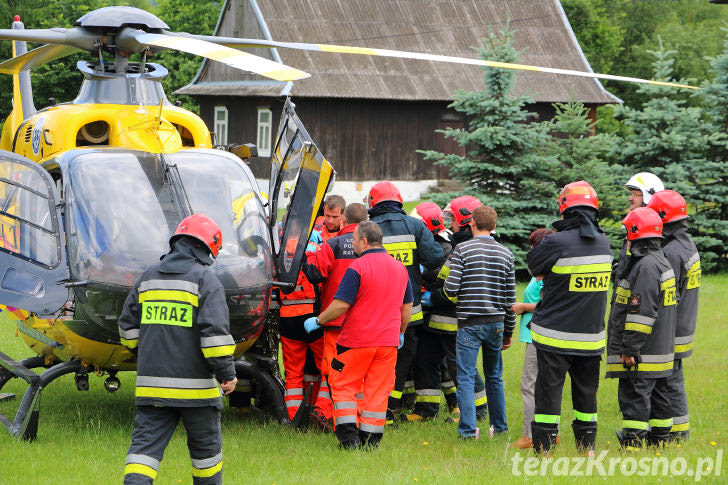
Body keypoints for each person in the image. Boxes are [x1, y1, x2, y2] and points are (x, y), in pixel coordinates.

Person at [119, 213, 237, 484]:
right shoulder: (205, 281)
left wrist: (146, 354)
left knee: (142, 457)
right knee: (206, 458)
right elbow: (215, 337)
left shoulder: (147, 278)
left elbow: (127, 329)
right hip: (197, 391)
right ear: (208, 249)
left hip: (152, 388)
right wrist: (227, 374)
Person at [304, 221, 413, 449]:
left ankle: (348, 439)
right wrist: (400, 332)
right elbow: (406, 308)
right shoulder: (399, 268)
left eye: (353, 239)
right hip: (387, 344)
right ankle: (371, 440)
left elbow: (341, 304)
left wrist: (318, 320)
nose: (352, 243)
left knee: (342, 385)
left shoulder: (358, 267)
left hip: (356, 341)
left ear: (364, 242)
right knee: (377, 392)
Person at [526, 181, 613, 455]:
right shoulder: (604, 242)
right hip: (591, 339)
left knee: (548, 395)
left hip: (554, 337)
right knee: (586, 396)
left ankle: (545, 451)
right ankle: (587, 450)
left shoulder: (555, 241)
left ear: (564, 208)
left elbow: (532, 265)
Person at [366, 181, 445, 421]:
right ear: (399, 201)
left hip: (373, 310)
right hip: (407, 312)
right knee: (401, 361)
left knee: (372, 360)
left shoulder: (368, 228)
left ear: (372, 202)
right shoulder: (415, 226)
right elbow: (435, 258)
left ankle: (373, 407)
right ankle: (392, 409)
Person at [606, 207, 677, 449]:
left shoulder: (645, 266)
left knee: (635, 397)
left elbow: (642, 313)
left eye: (627, 233)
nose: (625, 238)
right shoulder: (659, 261)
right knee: (660, 399)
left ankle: (633, 444)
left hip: (643, 352)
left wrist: (630, 348)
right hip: (660, 349)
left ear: (637, 234)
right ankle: (659, 442)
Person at [444, 205, 516, 439]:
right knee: (494, 376)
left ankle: (467, 430)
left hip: (469, 322)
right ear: (494, 227)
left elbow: (451, 288)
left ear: (471, 223)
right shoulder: (507, 254)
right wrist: (509, 331)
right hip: (496, 323)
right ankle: (500, 428)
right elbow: (510, 299)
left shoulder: (462, 250)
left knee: (465, 377)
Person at [302, 203, 369, 429]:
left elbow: (314, 274)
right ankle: (359, 419)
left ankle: (335, 418)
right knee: (359, 373)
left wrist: (309, 251)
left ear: (343, 220)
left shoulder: (334, 244)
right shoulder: (373, 248)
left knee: (334, 371)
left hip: (335, 321)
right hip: (365, 324)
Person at [646, 190, 699, 442]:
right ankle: (674, 431)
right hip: (684, 324)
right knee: (671, 378)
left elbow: (666, 294)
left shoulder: (672, 251)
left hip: (672, 328)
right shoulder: (686, 243)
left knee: (669, 381)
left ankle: (677, 434)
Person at [402, 202, 457, 422]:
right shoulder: (427, 241)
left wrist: (422, 272)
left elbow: (441, 277)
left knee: (446, 363)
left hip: (440, 311)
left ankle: (456, 404)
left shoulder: (443, 246)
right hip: (424, 313)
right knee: (425, 360)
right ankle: (426, 408)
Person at [509, 228, 554, 450]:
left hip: (537, 334)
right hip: (534, 333)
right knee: (541, 385)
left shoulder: (546, 273)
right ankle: (546, 434)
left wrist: (522, 307)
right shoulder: (545, 269)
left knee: (529, 385)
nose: (530, 250)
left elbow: (548, 305)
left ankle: (530, 435)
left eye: (532, 245)